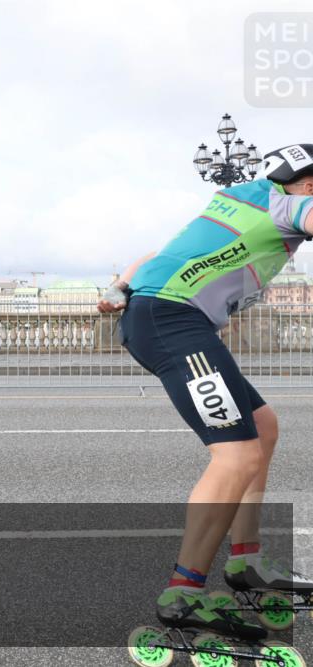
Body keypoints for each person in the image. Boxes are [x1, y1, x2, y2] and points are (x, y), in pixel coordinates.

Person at [98, 144, 313, 638]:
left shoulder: (237, 199)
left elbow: (155, 253)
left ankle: (246, 561)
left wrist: (118, 289)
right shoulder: (288, 204)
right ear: (306, 184)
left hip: (162, 314)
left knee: (263, 427)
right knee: (235, 457)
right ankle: (184, 593)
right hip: (172, 320)